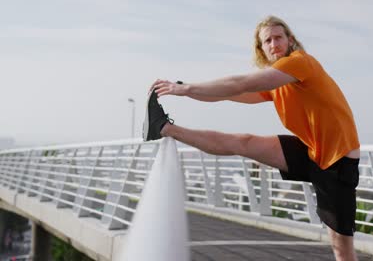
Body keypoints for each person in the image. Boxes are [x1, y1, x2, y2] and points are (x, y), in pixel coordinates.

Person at [145, 15, 360, 261]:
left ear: (290, 40)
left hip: (337, 161)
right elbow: (230, 93)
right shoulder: (275, 83)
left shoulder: (300, 62)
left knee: (342, 250)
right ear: (262, 49)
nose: (274, 44)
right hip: (311, 150)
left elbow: (240, 83)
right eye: (267, 41)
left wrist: (184, 89)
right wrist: (184, 88)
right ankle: (163, 128)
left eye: (278, 37)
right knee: (243, 142)